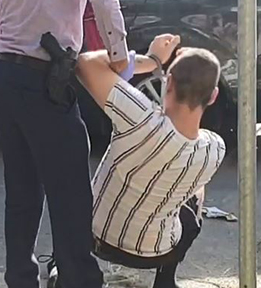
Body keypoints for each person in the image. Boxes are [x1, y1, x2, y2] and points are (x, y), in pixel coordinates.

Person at [0, 0, 128, 287]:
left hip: (3, 75)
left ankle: (20, 277)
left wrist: (4, 57)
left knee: (22, 188)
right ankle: (79, 278)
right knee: (70, 187)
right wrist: (119, 56)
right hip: (45, 77)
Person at [48, 35, 226, 288]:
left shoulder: (140, 117)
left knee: (66, 174)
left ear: (169, 83)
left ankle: (63, 264)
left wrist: (152, 60)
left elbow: (86, 63)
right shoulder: (215, 148)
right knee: (196, 193)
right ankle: (166, 280)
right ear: (213, 96)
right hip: (160, 251)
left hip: (94, 236)